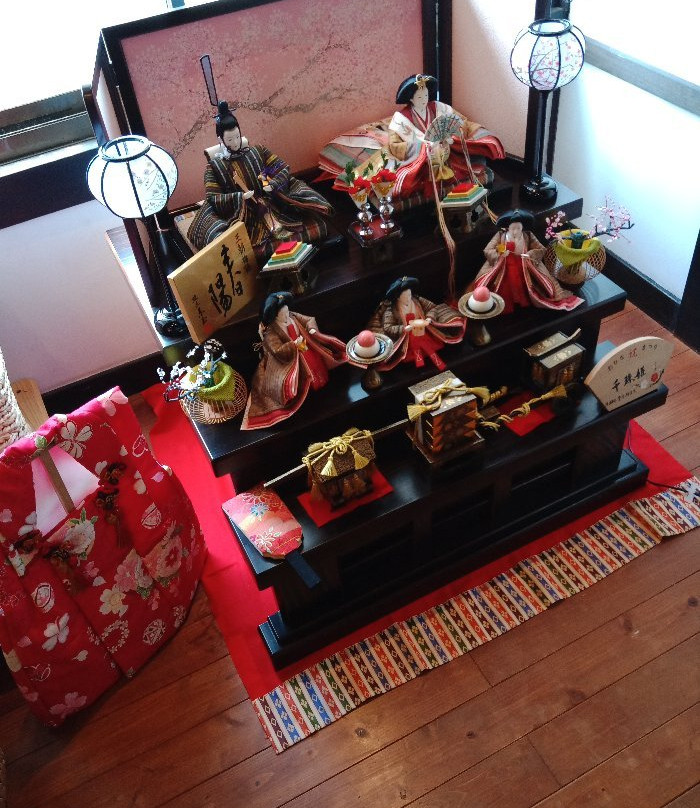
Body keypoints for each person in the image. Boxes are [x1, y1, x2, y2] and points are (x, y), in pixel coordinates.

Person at [188, 101, 335, 259]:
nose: (235, 143)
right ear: (221, 139)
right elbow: (213, 197)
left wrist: (272, 184)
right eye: (230, 140)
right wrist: (240, 197)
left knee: (311, 223)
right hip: (245, 215)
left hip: (273, 203)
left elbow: (279, 167)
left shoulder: (258, 152)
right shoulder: (214, 167)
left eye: (237, 137)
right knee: (243, 248)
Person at [241, 292, 347, 430]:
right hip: (290, 359)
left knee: (316, 365)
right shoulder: (271, 331)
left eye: (287, 312)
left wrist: (312, 329)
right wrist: (293, 345)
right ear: (275, 316)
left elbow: (308, 319)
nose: (287, 316)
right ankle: (302, 391)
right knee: (299, 377)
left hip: (305, 348)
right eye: (283, 314)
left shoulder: (292, 316)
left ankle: (318, 382)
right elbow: (276, 349)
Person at [386, 74, 503, 199]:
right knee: (408, 183)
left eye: (426, 95)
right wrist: (423, 148)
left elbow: (460, 121)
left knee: (467, 164)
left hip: (446, 153)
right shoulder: (401, 118)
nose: (424, 100)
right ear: (411, 99)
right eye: (419, 97)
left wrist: (450, 136)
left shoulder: (438, 107)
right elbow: (394, 145)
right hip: (421, 159)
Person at [471, 209, 584, 313]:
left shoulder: (528, 236)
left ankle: (522, 299)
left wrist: (530, 254)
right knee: (504, 285)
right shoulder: (500, 235)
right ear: (508, 228)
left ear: (522, 228)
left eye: (518, 228)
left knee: (526, 283)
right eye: (513, 228)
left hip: (524, 264)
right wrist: (499, 256)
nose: (515, 231)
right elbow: (488, 250)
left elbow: (541, 249)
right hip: (503, 265)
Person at [367, 276, 466, 371]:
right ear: (398, 297)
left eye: (409, 295)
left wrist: (429, 318)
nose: (408, 298)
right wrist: (404, 328)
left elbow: (432, 308)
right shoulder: (391, 310)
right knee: (413, 345)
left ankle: (430, 359)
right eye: (405, 297)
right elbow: (388, 327)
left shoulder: (417, 300)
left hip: (424, 331)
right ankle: (419, 362)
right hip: (407, 338)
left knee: (429, 344)